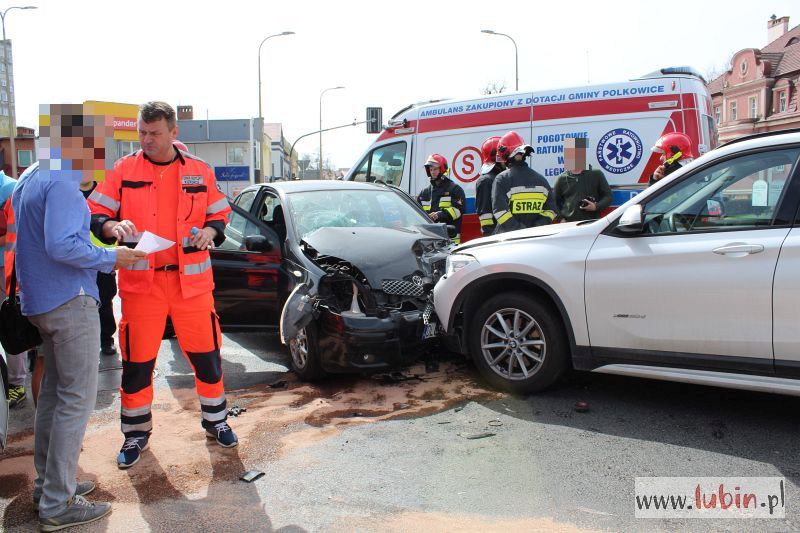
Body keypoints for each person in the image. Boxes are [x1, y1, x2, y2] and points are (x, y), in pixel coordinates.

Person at [14, 104, 146, 530]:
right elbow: (62, 245)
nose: (99, 155)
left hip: (41, 304)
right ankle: (57, 502)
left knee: (54, 397)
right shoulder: (65, 184)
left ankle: (50, 487)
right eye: (94, 145)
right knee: (74, 401)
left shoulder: (31, 177)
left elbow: (56, 234)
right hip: (70, 303)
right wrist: (114, 256)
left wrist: (106, 230)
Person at [88, 101, 235, 470]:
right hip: (143, 284)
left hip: (193, 285)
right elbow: (96, 214)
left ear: (173, 132)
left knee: (208, 359)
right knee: (137, 363)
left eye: (154, 133)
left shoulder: (200, 170)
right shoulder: (123, 169)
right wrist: (112, 228)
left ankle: (216, 421)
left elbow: (220, 213)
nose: (146, 140)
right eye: (142, 132)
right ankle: (135, 433)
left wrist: (211, 231)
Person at [3, 169, 45, 408]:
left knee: (41, 360)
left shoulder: (18, 187)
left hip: (19, 284)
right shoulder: (35, 186)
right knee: (46, 361)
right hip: (35, 289)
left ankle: (42, 420)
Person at [80, 178, 119, 356]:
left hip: (104, 260)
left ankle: (106, 340)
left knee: (105, 301)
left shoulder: (103, 192)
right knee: (82, 304)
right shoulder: (70, 192)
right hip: (80, 260)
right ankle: (87, 343)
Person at [0, 169, 28, 408]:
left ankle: (16, 384)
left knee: (10, 326)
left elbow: (17, 232)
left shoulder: (11, 188)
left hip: (6, 272)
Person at [492, 131, 557, 233]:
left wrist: (520, 231)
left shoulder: (502, 179)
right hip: (535, 238)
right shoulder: (542, 180)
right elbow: (551, 211)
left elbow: (500, 213)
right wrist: (535, 228)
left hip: (508, 239)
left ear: (505, 154)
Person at [553, 137, 612, 222]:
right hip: (569, 225)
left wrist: (596, 206)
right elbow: (553, 203)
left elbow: (608, 196)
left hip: (592, 223)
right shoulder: (561, 179)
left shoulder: (596, 174)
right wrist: (560, 218)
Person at [416, 154, 466, 243]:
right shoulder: (424, 193)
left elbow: (459, 210)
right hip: (430, 240)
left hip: (450, 239)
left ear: (442, 169)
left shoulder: (455, 189)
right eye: (430, 170)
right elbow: (416, 214)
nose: (432, 172)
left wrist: (439, 215)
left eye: (435, 169)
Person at [475, 137, 503, 235]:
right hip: (495, 235)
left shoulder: (501, 177)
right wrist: (490, 237)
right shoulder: (485, 181)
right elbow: (485, 216)